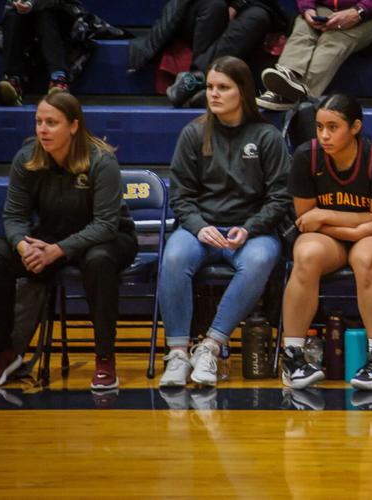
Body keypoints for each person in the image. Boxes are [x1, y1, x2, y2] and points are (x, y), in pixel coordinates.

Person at [0, 92, 138, 390]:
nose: (43, 129)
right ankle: (1, 353)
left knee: (98, 261)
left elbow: (105, 224)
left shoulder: (101, 160)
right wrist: (23, 246)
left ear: (73, 126)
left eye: (52, 123)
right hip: (51, 236)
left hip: (108, 237)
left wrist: (58, 251)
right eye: (39, 122)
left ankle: (104, 357)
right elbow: (13, 216)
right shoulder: (27, 159)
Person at [157, 56, 292, 388]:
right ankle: (177, 353)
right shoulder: (193, 133)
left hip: (251, 231)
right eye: (210, 87)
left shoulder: (267, 136)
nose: (213, 94)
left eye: (223, 87)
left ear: (242, 91)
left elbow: (280, 197)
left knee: (259, 260)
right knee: (173, 257)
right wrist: (198, 226)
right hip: (200, 229)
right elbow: (181, 196)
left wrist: (250, 228)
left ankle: (210, 346)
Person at [280, 94, 372, 391]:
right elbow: (305, 220)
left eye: (333, 127)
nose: (324, 135)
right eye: (319, 127)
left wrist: (325, 214)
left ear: (355, 127)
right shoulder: (306, 156)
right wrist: (354, 231)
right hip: (336, 238)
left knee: (365, 258)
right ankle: (293, 357)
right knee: (306, 254)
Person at [129, 0, 289, 108]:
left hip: (248, 6)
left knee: (259, 17)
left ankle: (198, 79)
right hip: (200, 8)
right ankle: (203, 83)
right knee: (215, 5)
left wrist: (237, 5)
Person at [256, 0, 372, 110]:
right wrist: (307, 8)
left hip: (369, 14)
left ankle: (293, 94)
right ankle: (286, 76)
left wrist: (359, 11)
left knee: (333, 40)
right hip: (322, 8)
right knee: (303, 30)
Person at [0, 0, 77, 106]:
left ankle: (59, 79)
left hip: (61, 14)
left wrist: (31, 4)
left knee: (45, 13)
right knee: (12, 14)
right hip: (29, 18)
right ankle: (13, 80)